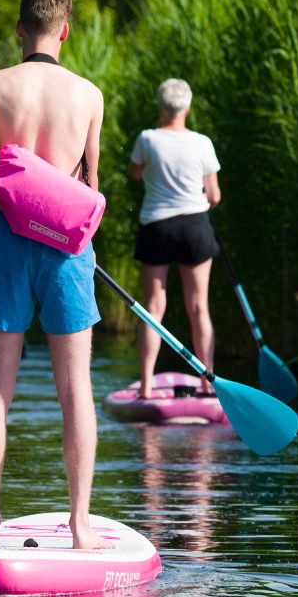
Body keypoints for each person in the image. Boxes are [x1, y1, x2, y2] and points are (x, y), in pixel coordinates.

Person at [0, 0, 104, 551]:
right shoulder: (89, 94)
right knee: (76, 388)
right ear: (65, 31)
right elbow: (90, 181)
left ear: (20, 28)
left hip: (10, 242)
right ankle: (80, 525)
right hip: (66, 249)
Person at [128, 78, 221, 399]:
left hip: (157, 227)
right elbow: (214, 195)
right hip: (195, 227)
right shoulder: (202, 142)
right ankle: (208, 383)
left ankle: (146, 386)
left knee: (153, 308)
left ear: (160, 107)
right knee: (199, 307)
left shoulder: (147, 139)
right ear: (187, 109)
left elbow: (134, 172)